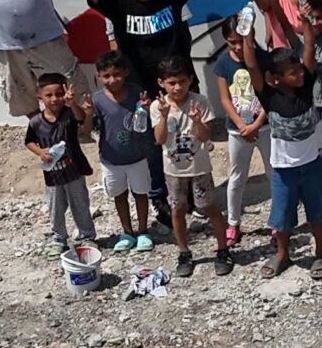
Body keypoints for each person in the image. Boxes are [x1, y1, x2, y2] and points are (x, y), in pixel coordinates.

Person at [42, 0, 225, 229]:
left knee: (191, 140)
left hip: (179, 85)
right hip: (142, 92)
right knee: (154, 145)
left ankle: (198, 196)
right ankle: (162, 198)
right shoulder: (118, 2)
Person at [237, 0, 322, 276]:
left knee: (319, 210)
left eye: (298, 69)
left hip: (310, 163)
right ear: (275, 79)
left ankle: (320, 252)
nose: (299, 72)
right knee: (281, 214)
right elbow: (251, 66)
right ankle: (282, 254)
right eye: (291, 71)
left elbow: (308, 46)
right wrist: (247, 36)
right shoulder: (269, 95)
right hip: (281, 166)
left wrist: (307, 20)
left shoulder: (305, 82)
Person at [152, 54, 230, 276]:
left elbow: (205, 137)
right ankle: (183, 251)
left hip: (199, 167)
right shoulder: (158, 106)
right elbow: (159, 139)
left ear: (190, 80)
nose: (177, 88)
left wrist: (196, 121)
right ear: (161, 83)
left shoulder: (200, 102)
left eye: (182, 82)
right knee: (178, 209)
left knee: (209, 207)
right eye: (171, 83)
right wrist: (164, 117)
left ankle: (223, 249)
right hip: (173, 170)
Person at [88, 51, 154, 251]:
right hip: (111, 160)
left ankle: (143, 231)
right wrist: (85, 112)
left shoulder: (136, 92)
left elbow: (144, 119)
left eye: (116, 74)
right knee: (120, 195)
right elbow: (89, 128)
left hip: (137, 156)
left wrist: (146, 107)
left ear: (125, 72)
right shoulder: (97, 100)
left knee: (141, 194)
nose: (112, 79)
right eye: (106, 76)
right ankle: (127, 232)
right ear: (98, 76)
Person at [210, 11, 264, 250]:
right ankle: (233, 222)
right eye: (233, 42)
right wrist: (242, 126)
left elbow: (268, 95)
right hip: (237, 130)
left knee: (274, 174)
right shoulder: (223, 63)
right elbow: (224, 99)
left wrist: (257, 124)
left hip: (264, 126)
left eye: (242, 40)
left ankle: (278, 222)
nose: (238, 47)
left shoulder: (261, 58)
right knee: (237, 177)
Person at [26, 71, 95, 252]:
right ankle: (59, 239)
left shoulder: (69, 114)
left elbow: (82, 120)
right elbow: (29, 142)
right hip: (52, 174)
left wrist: (73, 104)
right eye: (49, 95)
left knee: (80, 204)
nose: (55, 99)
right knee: (55, 208)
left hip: (74, 170)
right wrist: (40, 152)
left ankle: (87, 236)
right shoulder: (35, 122)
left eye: (59, 94)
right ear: (40, 96)